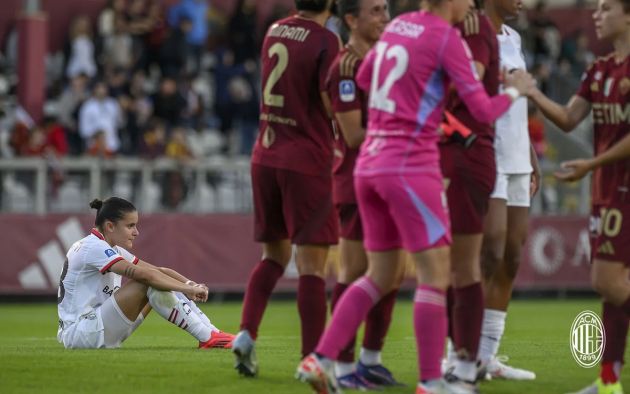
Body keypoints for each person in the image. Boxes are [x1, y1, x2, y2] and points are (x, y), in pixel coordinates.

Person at [295, 2, 534, 394]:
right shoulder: (445, 38)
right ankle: (431, 381)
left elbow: (370, 76)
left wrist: (416, 87)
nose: (470, 5)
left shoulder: (401, 25)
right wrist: (514, 89)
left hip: (370, 164)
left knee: (380, 274)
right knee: (434, 275)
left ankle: (319, 358)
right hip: (409, 166)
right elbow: (482, 110)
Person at [231, 0, 341, 377]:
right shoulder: (327, 40)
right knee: (312, 266)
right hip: (306, 161)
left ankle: (246, 333)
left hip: (265, 155)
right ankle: (312, 360)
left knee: (273, 257)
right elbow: (331, 105)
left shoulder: (274, 30)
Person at [528, 1, 630, 392]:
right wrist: (532, 91)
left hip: (621, 185)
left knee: (606, 281)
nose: (598, 15)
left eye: (607, 8)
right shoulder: (599, 69)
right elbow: (570, 118)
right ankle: (608, 381)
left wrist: (593, 162)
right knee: (614, 284)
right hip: (605, 186)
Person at [325, 0, 401, 389]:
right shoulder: (347, 66)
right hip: (357, 181)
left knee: (393, 273)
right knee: (355, 274)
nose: (385, 18)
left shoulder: (385, 58)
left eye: (386, 10)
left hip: (389, 175)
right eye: (375, 11)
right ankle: (341, 366)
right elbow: (354, 135)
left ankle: (370, 360)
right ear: (351, 20)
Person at [57, 197, 234, 350]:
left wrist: (190, 285)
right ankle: (208, 338)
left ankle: (212, 333)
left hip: (96, 328)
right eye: (130, 226)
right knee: (147, 281)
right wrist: (187, 289)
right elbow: (145, 276)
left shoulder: (109, 247)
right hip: (81, 333)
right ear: (110, 226)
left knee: (156, 278)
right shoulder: (93, 247)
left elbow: (158, 271)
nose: (136, 232)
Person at [476, 0, 540, 380]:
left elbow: (518, 103)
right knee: (488, 252)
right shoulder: (471, 36)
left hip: (517, 157)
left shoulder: (513, 37)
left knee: (512, 257)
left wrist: (531, 154)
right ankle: (459, 353)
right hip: (488, 153)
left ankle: (487, 355)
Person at [439, 0, 500, 386]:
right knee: (443, 266)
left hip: (466, 150)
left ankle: (466, 361)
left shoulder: (473, 24)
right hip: (444, 152)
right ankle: (461, 355)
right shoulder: (447, 24)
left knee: (462, 265)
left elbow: (471, 77)